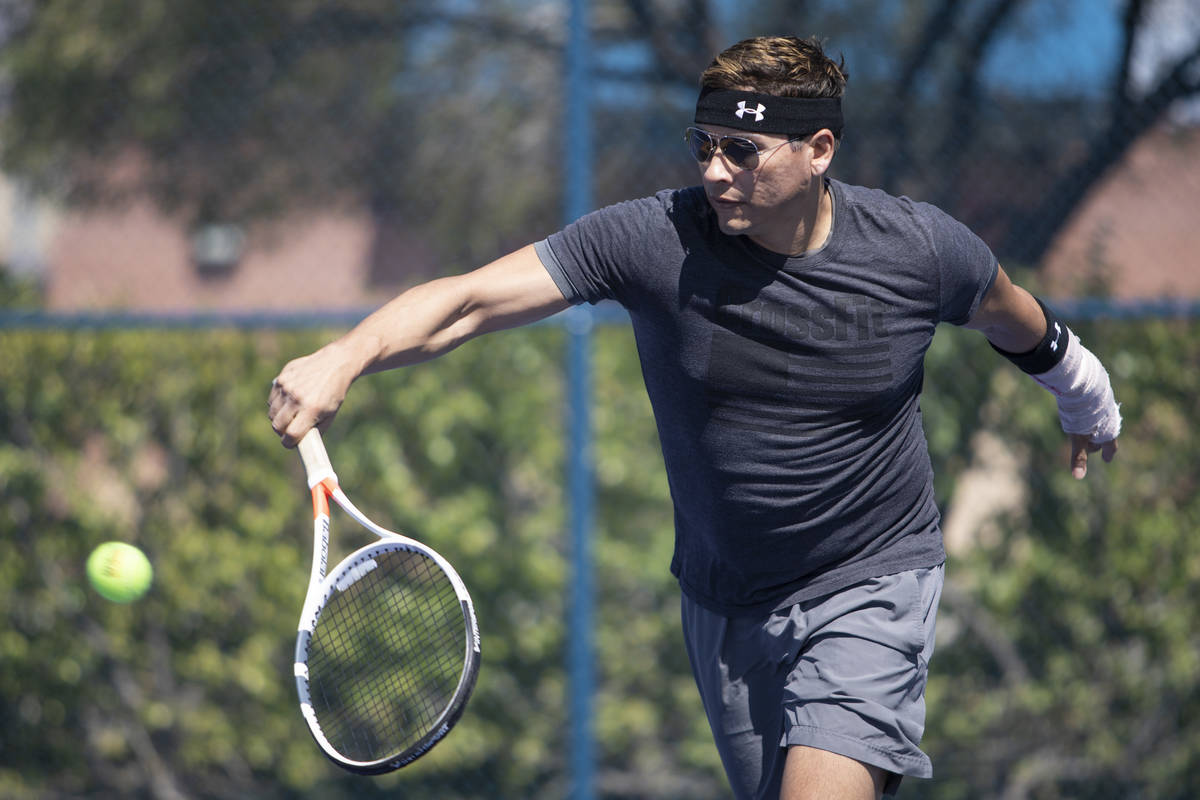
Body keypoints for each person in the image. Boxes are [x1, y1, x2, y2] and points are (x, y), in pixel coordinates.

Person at [268, 35, 1121, 800]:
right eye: (704, 146)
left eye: (743, 151)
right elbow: (469, 302)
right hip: (725, 600)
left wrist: (1081, 390)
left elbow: (1016, 317)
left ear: (819, 150)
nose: (715, 172)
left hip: (871, 579)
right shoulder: (653, 239)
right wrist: (347, 356)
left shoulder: (920, 251)